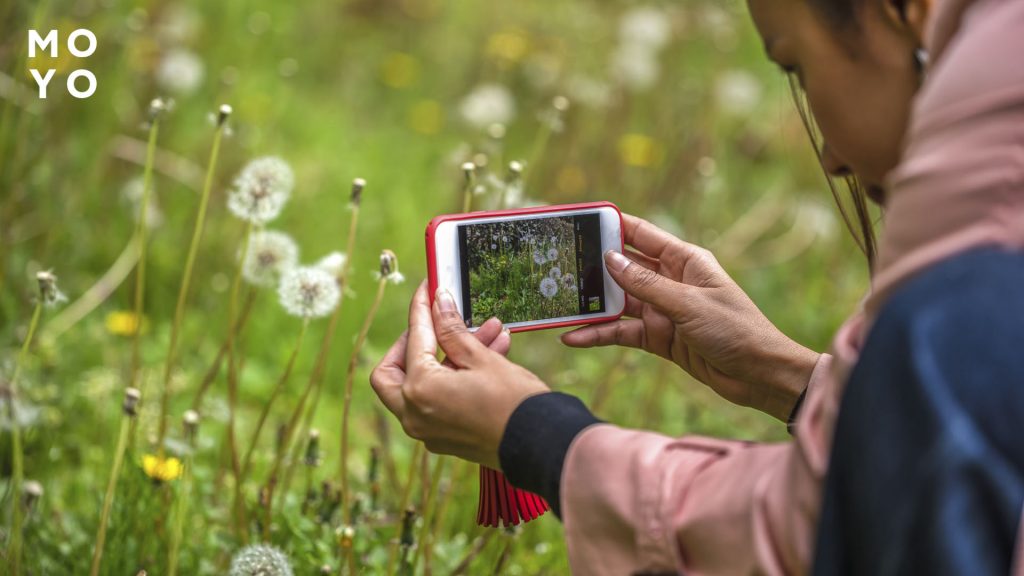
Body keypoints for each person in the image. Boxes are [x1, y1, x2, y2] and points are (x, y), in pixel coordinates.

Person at [370, 0, 1024, 573]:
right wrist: (783, 375)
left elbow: (833, 529)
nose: (829, 156)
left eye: (795, 65)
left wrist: (536, 436)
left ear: (907, 10)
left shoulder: (985, 221)